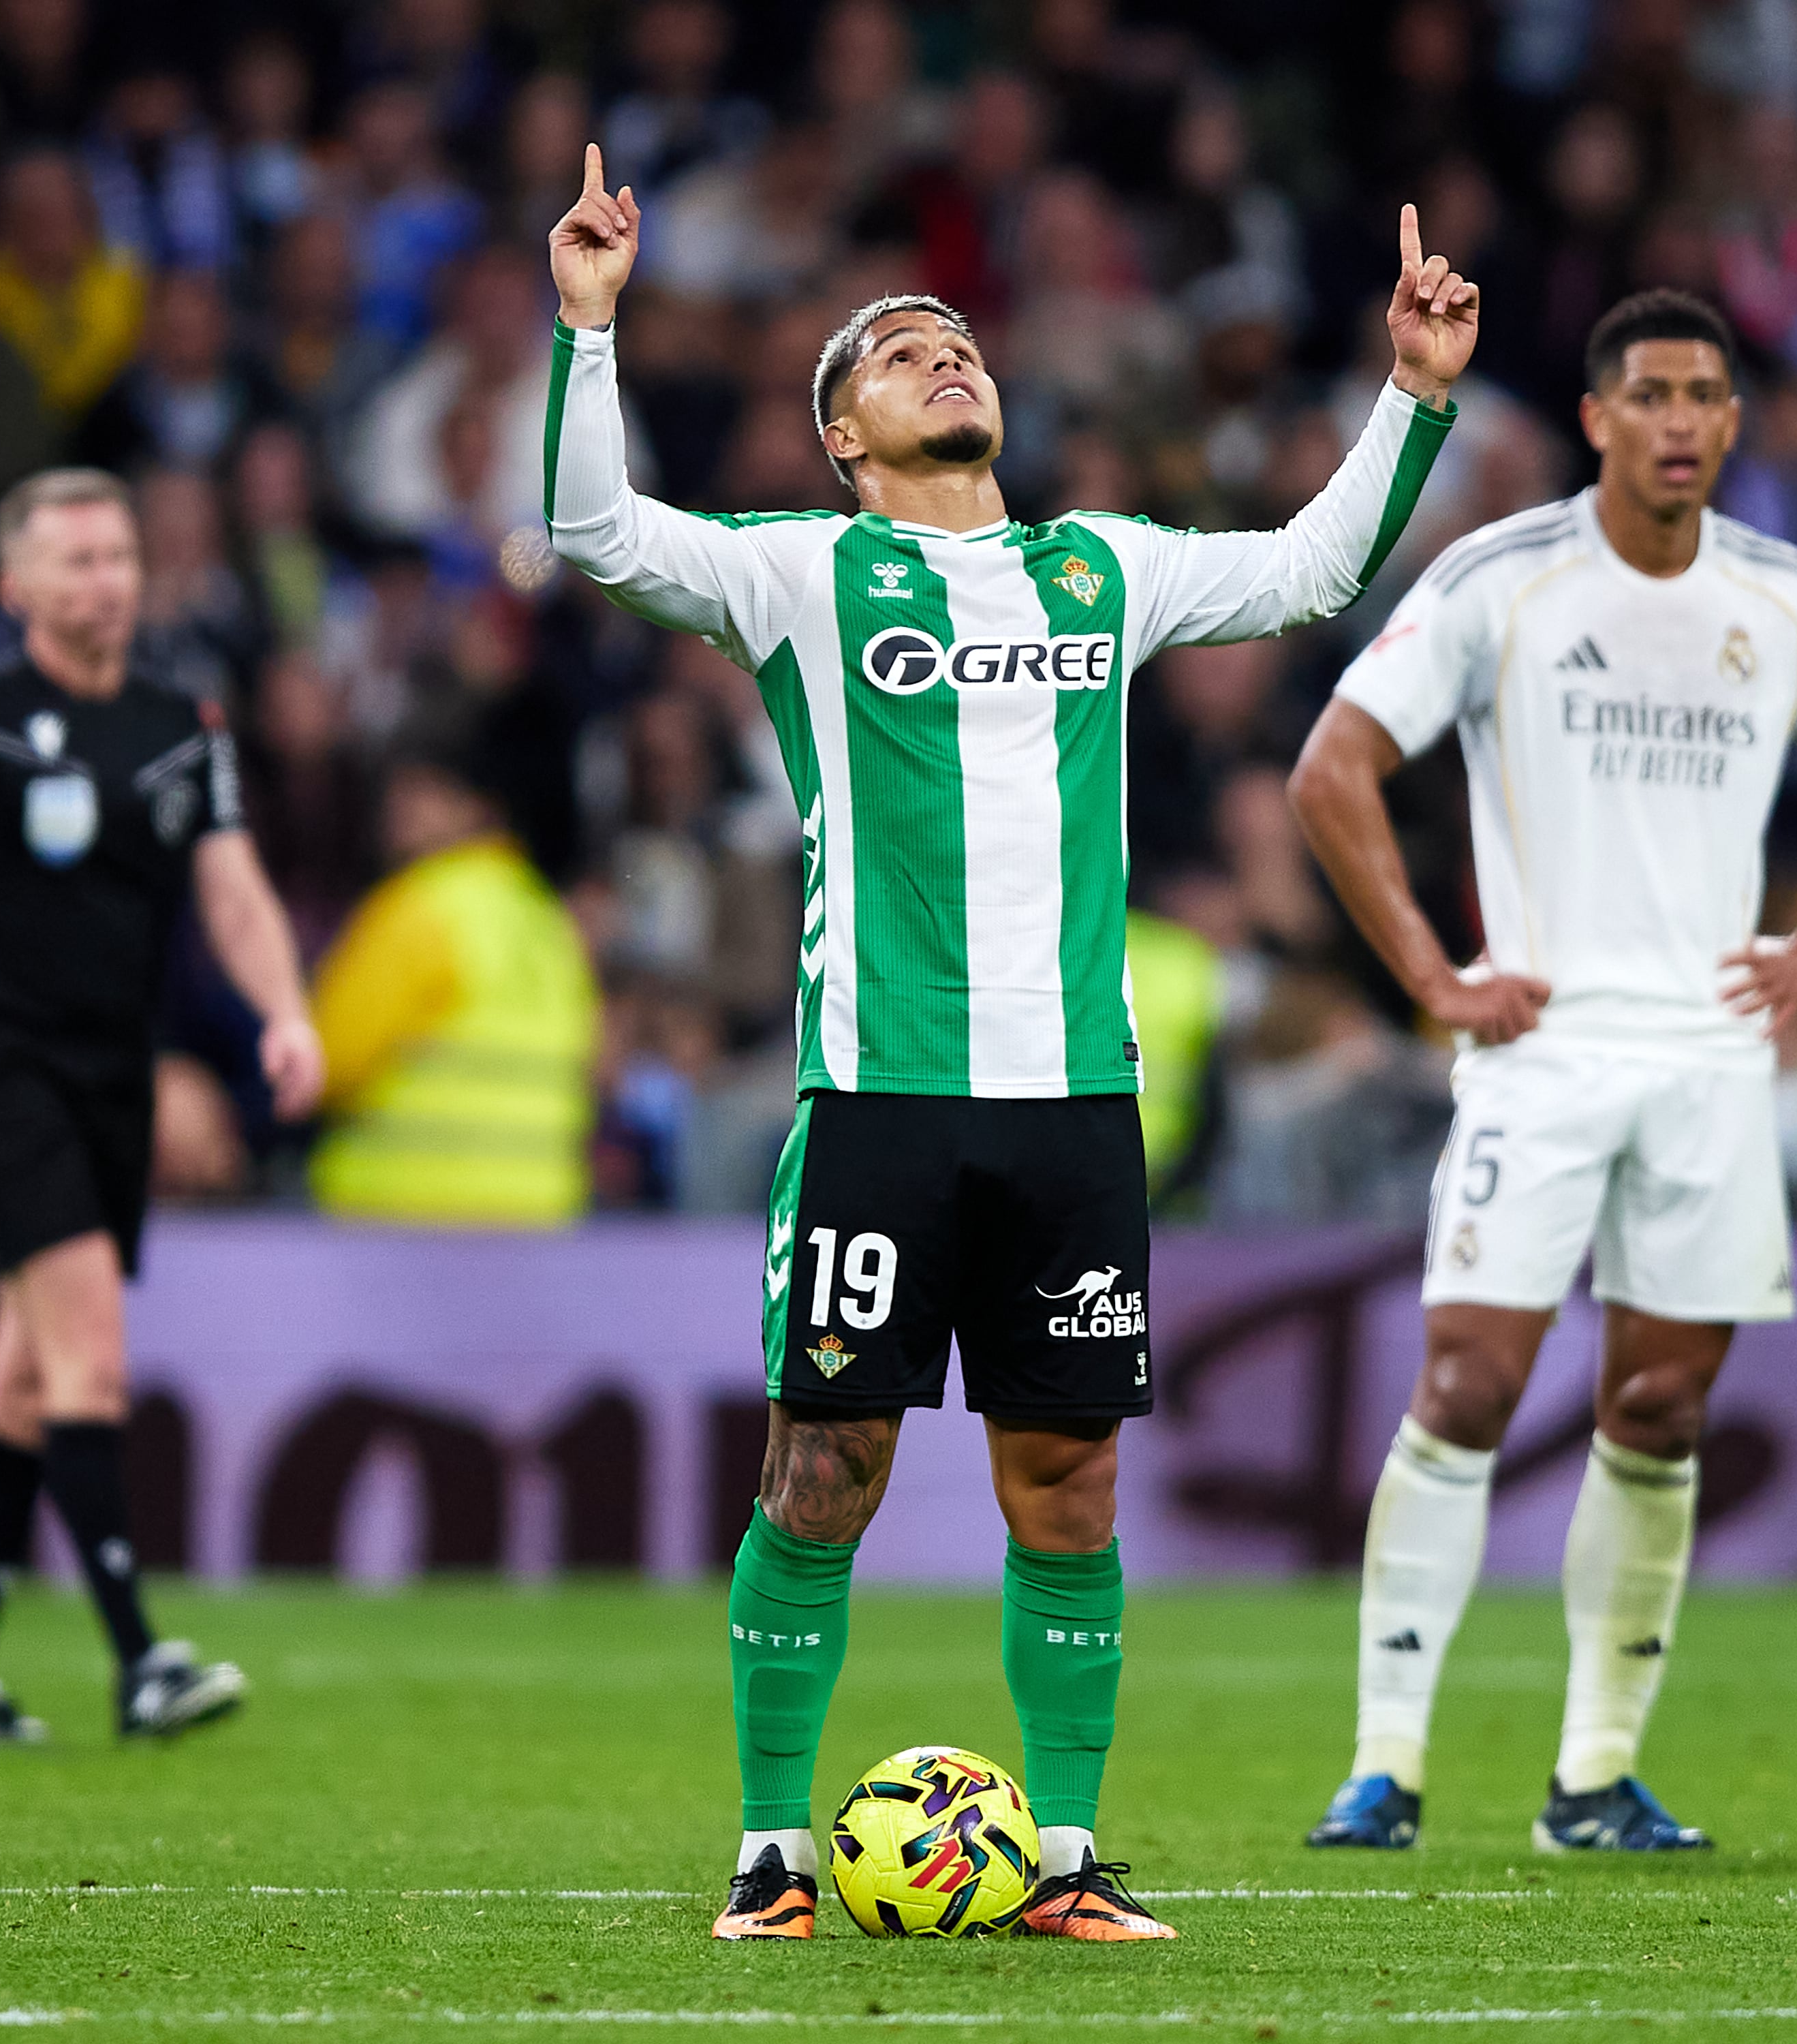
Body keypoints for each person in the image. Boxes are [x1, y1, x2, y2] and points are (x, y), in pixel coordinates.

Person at [543, 144, 1477, 1941]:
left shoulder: (1098, 571)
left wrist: (1408, 400)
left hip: (1074, 1110)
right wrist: (590, 329)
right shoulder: (807, 573)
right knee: (826, 1464)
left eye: (955, 337)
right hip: (881, 1092)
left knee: (1067, 1478)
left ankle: (1055, 1863)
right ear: (840, 439)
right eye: (896, 352)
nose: (943, 354)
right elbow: (594, 536)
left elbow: (1305, 571)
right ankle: (766, 1850)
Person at [1283, 289, 1797, 1856]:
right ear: (1593, 418)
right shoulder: (1501, 576)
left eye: (1703, 395)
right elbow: (1331, 770)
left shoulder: (1782, 597)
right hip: (1540, 1053)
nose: (1675, 420)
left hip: (1709, 1059)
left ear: (1729, 423)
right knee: (1465, 1382)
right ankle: (1381, 1761)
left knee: (1656, 1402)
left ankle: (1591, 1774)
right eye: (1646, 392)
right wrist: (1436, 980)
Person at [0, 469, 325, 1745]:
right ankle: (139, 1660)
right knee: (89, 1360)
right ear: (17, 588)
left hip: (115, 1073)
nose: (103, 579)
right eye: (73, 562)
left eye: (116, 556)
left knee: (19, 1384)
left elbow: (230, 893)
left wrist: (284, 1011)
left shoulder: (181, 722)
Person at [307, 734, 598, 1226]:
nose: (402, 810)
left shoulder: (418, 908)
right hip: (539, 1215)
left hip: (406, 1212)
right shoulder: (544, 916)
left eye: (428, 793)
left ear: (479, 808)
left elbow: (325, 1062)